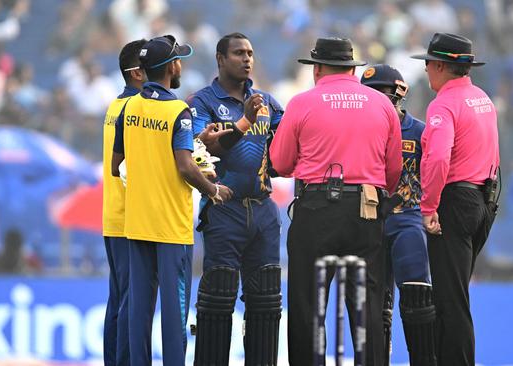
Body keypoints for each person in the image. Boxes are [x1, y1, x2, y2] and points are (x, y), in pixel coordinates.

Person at [270, 37, 402, 366]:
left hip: (315, 210)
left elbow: (282, 163)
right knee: (366, 308)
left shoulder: (302, 103)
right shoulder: (382, 104)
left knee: (307, 308)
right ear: (352, 68)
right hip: (365, 210)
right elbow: (394, 169)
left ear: (317, 69)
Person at [111, 34, 232, 366]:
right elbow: (185, 166)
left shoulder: (128, 107)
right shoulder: (178, 111)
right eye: (179, 59)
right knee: (174, 314)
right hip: (170, 229)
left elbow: (115, 166)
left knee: (138, 311)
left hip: (136, 224)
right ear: (171, 67)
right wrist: (213, 190)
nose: (181, 64)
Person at [186, 32, 283, 365]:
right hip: (223, 210)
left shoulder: (267, 102)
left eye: (251, 53)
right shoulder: (202, 103)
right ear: (220, 58)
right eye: (239, 53)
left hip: (264, 210)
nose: (247, 59)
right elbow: (201, 151)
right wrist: (243, 123)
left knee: (267, 302)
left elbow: (285, 152)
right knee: (218, 299)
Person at [411, 32, 499, 366]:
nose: (426, 71)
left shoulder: (444, 104)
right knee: (454, 295)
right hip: (482, 199)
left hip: (454, 202)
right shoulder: (482, 99)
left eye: (428, 65)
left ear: (438, 65)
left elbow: (436, 158)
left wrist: (429, 206)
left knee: (451, 301)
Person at [360, 64, 436, 366]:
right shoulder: (357, 131)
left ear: (397, 95)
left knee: (417, 298)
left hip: (408, 220)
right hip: (370, 221)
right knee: (374, 305)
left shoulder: (418, 132)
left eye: (379, 93)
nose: (373, 101)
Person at [102, 38, 146, 366]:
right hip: (130, 219)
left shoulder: (114, 106)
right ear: (137, 74)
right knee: (131, 304)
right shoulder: (135, 109)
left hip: (113, 216)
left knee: (118, 301)